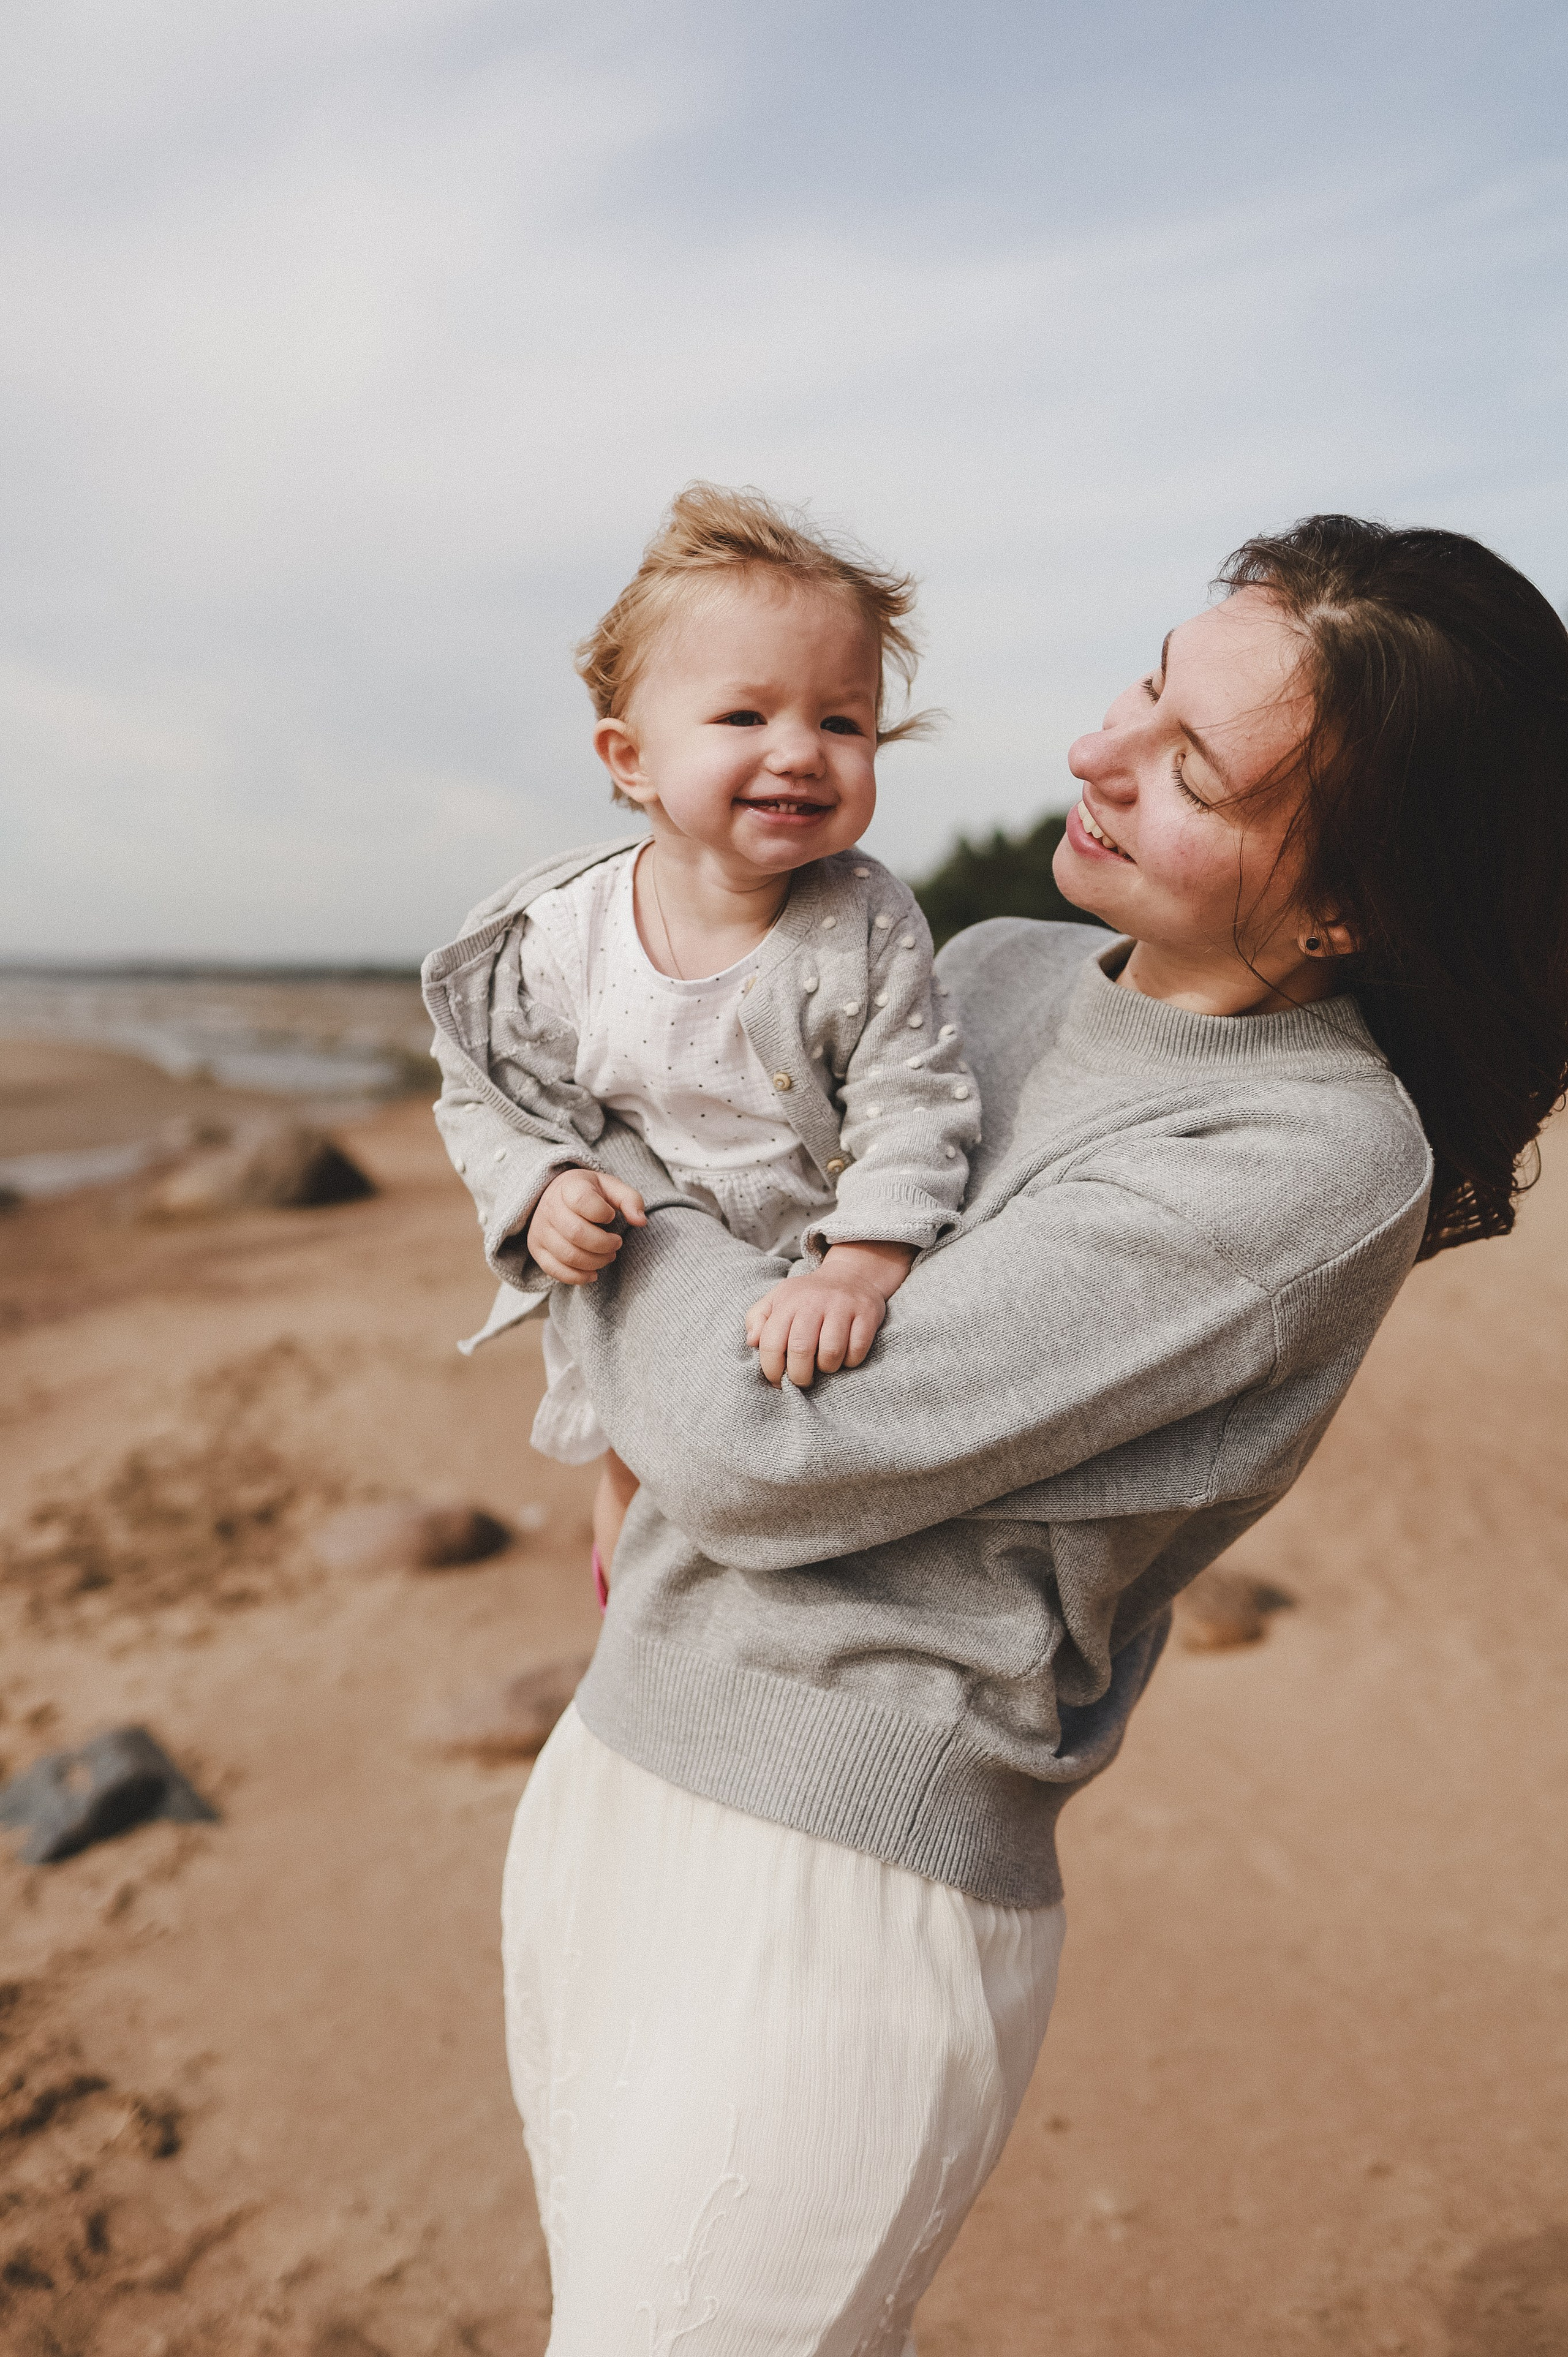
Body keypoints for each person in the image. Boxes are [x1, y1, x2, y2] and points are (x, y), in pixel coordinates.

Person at [491, 518, 1568, 2350]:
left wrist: (603, 1201)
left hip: (839, 1882)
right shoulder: (976, 964)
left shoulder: (1312, 1158)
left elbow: (772, 1446)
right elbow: (596, 1078)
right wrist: (599, 1179)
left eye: (1193, 771)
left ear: (1352, 904)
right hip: (614, 1762)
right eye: (1146, 682)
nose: (1099, 752)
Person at [423, 485, 978, 1597]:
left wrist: (863, 1266)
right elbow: (489, 1089)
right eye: (744, 718)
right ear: (631, 760)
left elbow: (915, 1101)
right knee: (636, 1472)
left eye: (842, 721)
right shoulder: (562, 933)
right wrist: (541, 1190)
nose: (801, 752)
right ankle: (633, 1634)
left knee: (806, 1509)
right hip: (648, 1270)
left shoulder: (864, 920)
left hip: (808, 1266)